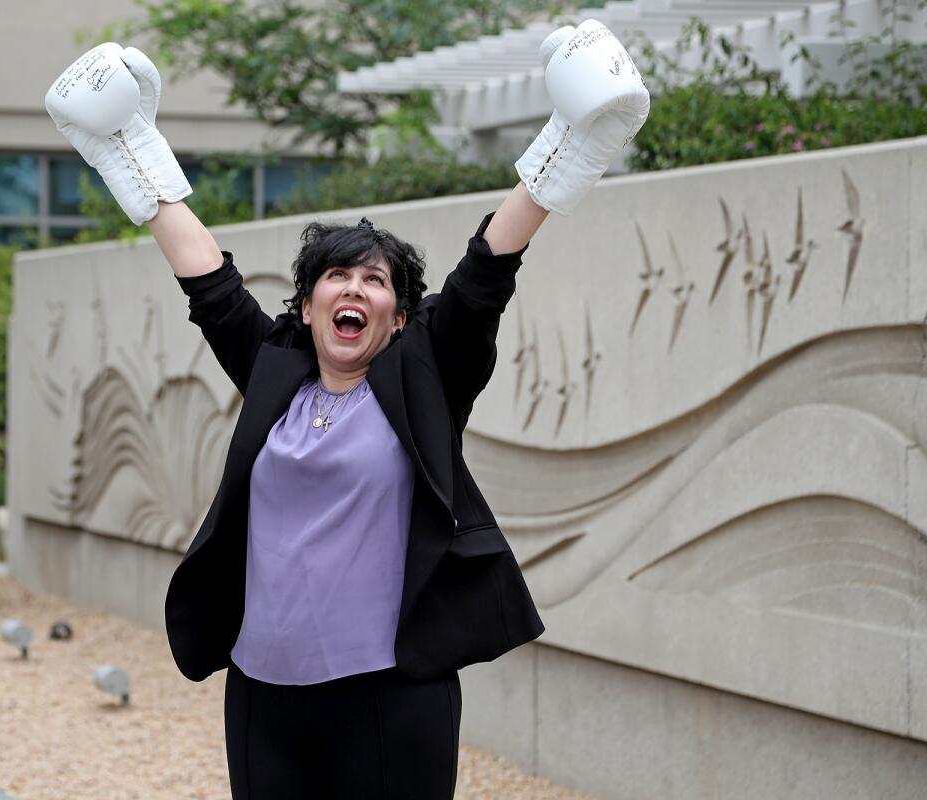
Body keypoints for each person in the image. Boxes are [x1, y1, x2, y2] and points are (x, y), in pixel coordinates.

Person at [46, 21, 648, 799]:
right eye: (336, 276)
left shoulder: (422, 381)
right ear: (306, 305)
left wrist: (570, 139)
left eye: (375, 281)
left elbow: (484, 274)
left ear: (400, 317)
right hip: (262, 693)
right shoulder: (276, 376)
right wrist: (128, 147)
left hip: (389, 695)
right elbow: (208, 283)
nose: (354, 289)